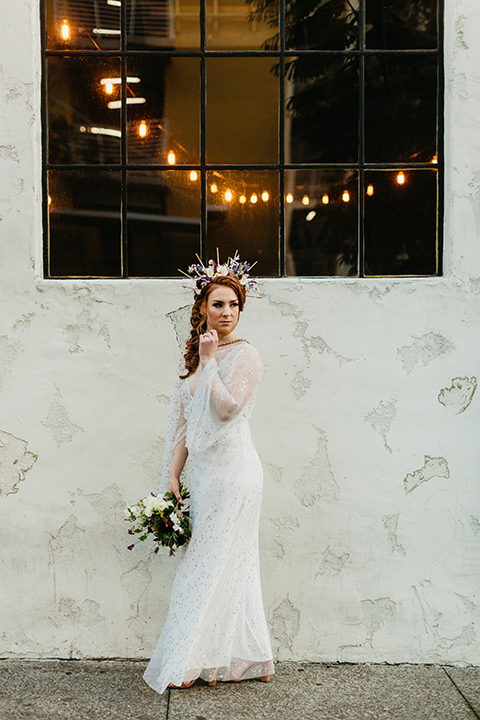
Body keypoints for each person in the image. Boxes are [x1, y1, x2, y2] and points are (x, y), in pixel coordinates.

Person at [143, 255, 274, 693]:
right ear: (202, 307)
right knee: (216, 560)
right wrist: (172, 477)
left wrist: (210, 361)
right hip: (204, 475)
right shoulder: (200, 354)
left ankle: (190, 661)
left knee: (212, 561)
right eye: (218, 304)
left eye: (234, 305)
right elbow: (184, 423)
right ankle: (242, 658)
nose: (226, 312)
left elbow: (228, 409)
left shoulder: (244, 355)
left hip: (235, 473)